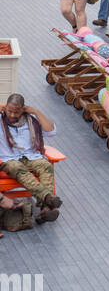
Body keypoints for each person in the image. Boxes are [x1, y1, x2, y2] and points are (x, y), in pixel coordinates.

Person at [0, 95, 63, 223]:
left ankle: (45, 209)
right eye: (9, 111)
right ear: (5, 108)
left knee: (45, 166)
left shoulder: (32, 119)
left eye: (16, 112)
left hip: (31, 156)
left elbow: (51, 131)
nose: (12, 115)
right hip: (9, 160)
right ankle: (47, 197)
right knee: (16, 167)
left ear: (23, 109)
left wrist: (36, 111)